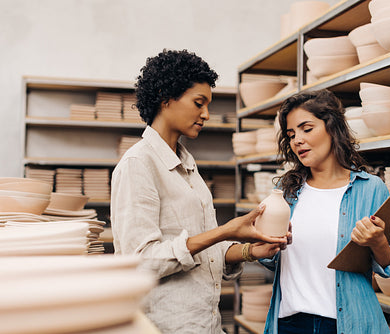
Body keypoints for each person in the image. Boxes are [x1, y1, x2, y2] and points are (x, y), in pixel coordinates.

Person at [110, 49, 287, 333]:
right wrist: (225, 231)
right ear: (165, 99)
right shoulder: (138, 164)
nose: (206, 114)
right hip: (164, 326)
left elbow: (206, 252)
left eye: (208, 105)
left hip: (204, 322)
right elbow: (140, 262)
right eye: (198, 103)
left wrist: (250, 250)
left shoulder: (187, 165)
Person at [259, 89, 390, 334]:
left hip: (347, 324)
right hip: (291, 323)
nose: (297, 140)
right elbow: (271, 259)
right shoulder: (287, 191)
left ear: (332, 127)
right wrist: (266, 243)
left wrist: (378, 241)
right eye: (291, 134)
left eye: (307, 128)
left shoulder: (370, 188)